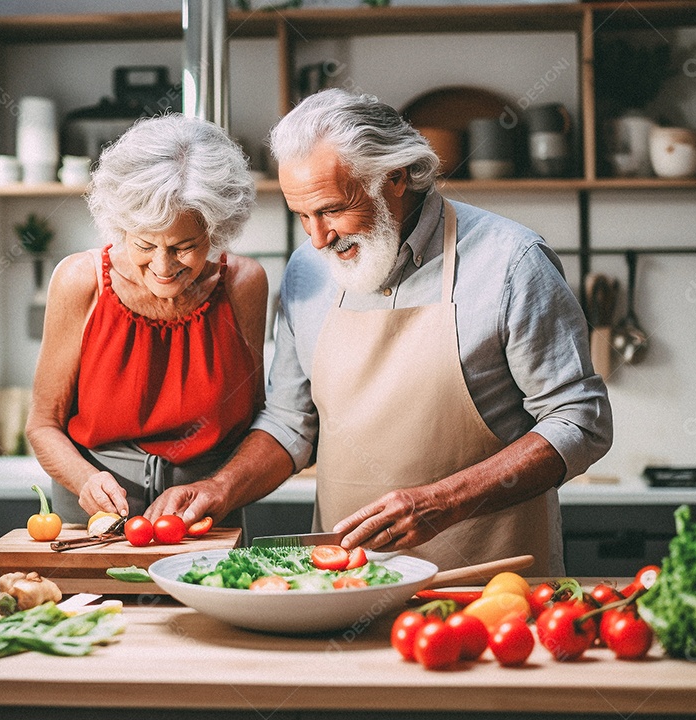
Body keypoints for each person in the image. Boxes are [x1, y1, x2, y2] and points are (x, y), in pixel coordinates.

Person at [148, 89, 612, 575]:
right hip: (346, 583)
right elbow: (290, 422)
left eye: (330, 209)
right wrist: (218, 488)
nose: (317, 237)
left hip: (488, 586)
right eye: (302, 216)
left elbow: (580, 420)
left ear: (394, 177)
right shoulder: (308, 269)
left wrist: (444, 501)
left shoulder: (511, 262)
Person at [25, 113, 268, 523]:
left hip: (203, 516)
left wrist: (221, 486)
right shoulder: (80, 281)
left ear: (217, 228)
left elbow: (257, 415)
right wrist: (86, 479)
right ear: (120, 227)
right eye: (144, 243)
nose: (163, 265)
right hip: (94, 513)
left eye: (184, 246)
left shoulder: (244, 284)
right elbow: (42, 423)